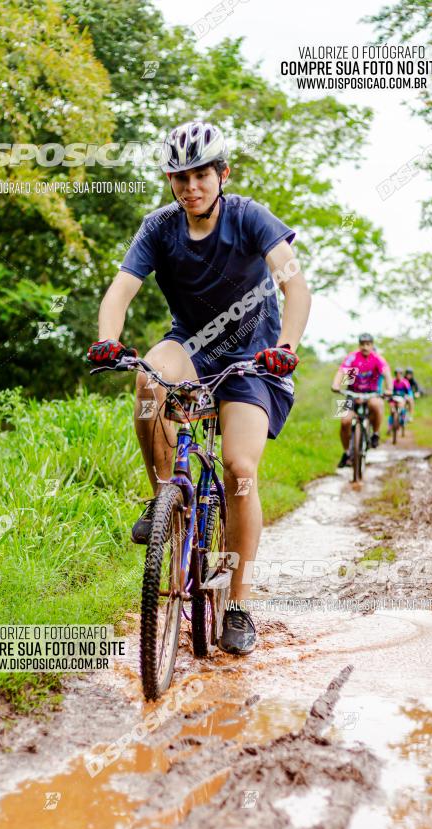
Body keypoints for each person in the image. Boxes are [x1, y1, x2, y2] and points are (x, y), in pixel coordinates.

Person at [86, 120, 311, 655]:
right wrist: (107, 339)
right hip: (192, 346)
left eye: (201, 175)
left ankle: (237, 603)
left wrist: (287, 344)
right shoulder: (158, 227)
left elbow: (294, 285)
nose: (190, 186)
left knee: (239, 469)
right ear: (170, 181)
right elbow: (120, 292)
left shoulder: (251, 217)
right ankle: (163, 492)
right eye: (180, 177)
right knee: (148, 380)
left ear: (221, 174)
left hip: (255, 359)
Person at [331, 333, 393, 468]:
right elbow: (342, 371)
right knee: (344, 421)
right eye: (363, 344)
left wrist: (389, 389)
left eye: (368, 344)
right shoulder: (352, 357)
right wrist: (336, 384)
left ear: (372, 345)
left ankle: (375, 434)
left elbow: (387, 374)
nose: (365, 347)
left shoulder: (377, 359)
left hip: (371, 394)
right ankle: (346, 453)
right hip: (351, 393)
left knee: (377, 403)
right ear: (359, 345)